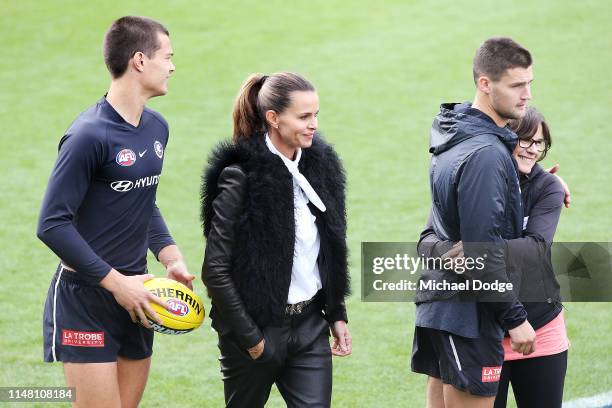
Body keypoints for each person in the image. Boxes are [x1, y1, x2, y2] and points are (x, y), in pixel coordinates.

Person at [37, 16, 194, 408]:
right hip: (85, 299)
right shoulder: (88, 136)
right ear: (140, 61)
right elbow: (52, 224)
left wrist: (169, 255)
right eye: (167, 56)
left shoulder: (157, 128)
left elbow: (142, 200)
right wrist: (115, 283)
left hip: (139, 294)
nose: (173, 66)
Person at [201, 72, 351, 407]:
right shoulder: (240, 176)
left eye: (316, 115)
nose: (313, 124)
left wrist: (336, 312)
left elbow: (330, 248)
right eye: (303, 117)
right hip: (254, 333)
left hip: (311, 329)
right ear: (273, 118)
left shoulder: (322, 165)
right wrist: (253, 341)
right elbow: (215, 269)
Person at [411, 37, 538, 408]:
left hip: (441, 308)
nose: (527, 94)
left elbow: (434, 232)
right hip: (467, 316)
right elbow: (483, 252)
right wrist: (515, 318)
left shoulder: (454, 135)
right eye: (516, 85)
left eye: (529, 83)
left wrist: (543, 181)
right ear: (485, 83)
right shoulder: (486, 155)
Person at [421, 107, 570, 407]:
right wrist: (449, 253)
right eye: (524, 140)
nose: (532, 149)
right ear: (504, 138)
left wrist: (479, 248)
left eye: (539, 143)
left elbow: (537, 247)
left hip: (539, 326)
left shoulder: (547, 187)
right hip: (479, 331)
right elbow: (426, 241)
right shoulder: (477, 177)